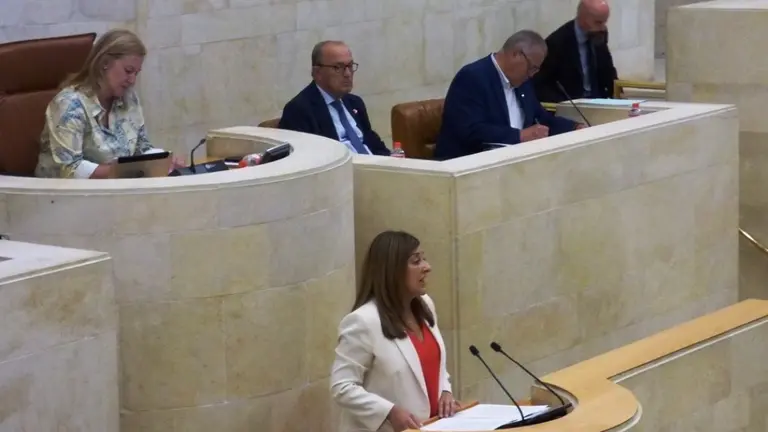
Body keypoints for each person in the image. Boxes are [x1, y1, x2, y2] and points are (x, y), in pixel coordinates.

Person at [331, 231, 458, 432]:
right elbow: (342, 387)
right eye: (416, 262)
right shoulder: (362, 322)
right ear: (392, 271)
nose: (427, 267)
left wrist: (445, 390)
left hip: (433, 426)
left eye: (424, 259)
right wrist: (389, 412)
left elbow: (435, 366)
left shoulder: (425, 305)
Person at [35, 29, 182, 179]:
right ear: (105, 63)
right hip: (65, 196)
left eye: (136, 73)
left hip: (118, 189)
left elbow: (141, 148)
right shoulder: (69, 105)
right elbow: (69, 169)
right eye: (128, 71)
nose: (132, 80)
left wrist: (162, 161)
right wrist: (124, 171)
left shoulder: (128, 98)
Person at [434, 30, 583, 161]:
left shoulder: (521, 83)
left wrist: (574, 128)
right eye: (532, 68)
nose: (532, 75)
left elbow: (540, 118)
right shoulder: (472, 77)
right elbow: (469, 130)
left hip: (512, 164)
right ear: (516, 54)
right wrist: (519, 136)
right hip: (469, 165)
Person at [278, 41, 390, 156]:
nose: (347, 74)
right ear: (317, 72)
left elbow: (375, 145)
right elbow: (309, 161)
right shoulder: (299, 110)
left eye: (350, 66)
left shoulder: (354, 103)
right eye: (338, 67)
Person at [533, 0, 618, 102]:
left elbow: (608, 71)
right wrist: (564, 104)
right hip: (572, 104)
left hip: (599, 101)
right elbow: (542, 84)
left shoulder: (598, 35)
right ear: (583, 19)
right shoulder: (557, 42)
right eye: (598, 22)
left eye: (604, 22)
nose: (602, 27)